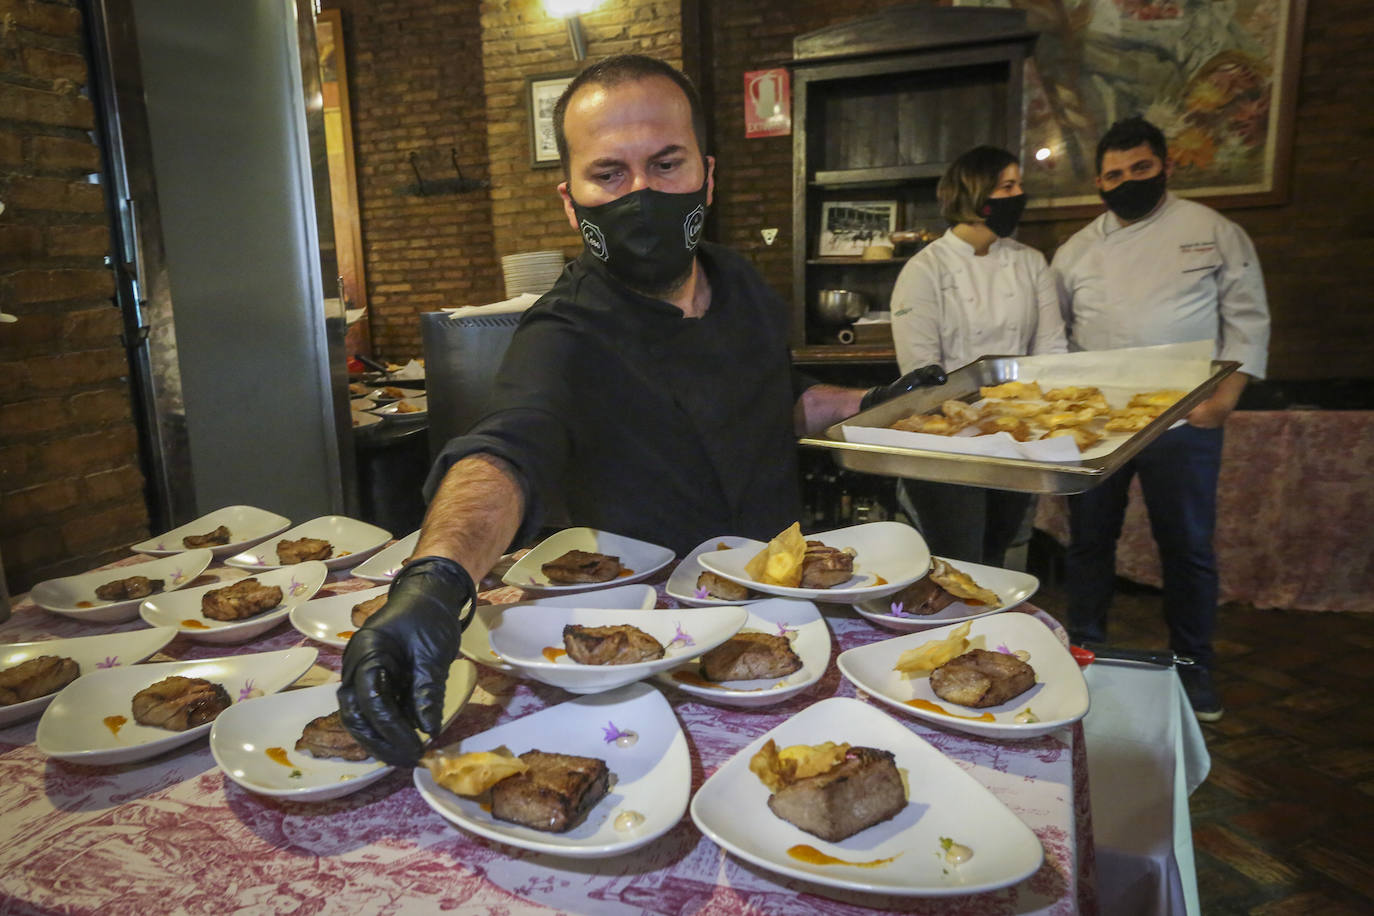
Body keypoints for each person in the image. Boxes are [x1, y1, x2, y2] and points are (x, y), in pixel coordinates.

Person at [337, 54, 945, 765]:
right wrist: (437, 583)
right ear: (571, 201)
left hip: (785, 618)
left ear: (706, 177)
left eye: (665, 164)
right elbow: (505, 448)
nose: (641, 194)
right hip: (643, 652)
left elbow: (774, 401)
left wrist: (875, 404)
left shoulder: (741, 281)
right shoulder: (565, 328)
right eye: (610, 174)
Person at [1051, 116, 1270, 722]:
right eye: (1114, 174)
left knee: (1188, 546)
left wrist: (1225, 399)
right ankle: (1084, 648)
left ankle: (1195, 666)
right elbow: (1058, 337)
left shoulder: (1213, 231)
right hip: (1099, 425)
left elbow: (1247, 319)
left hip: (1185, 419)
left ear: (1166, 166)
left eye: (1140, 168)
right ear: (1099, 180)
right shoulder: (1075, 252)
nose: (1127, 181)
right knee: (1090, 542)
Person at [889, 146, 1067, 567]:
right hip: (950, 443)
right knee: (959, 560)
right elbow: (921, 373)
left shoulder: (1030, 263)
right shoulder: (925, 269)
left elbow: (1051, 351)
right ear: (975, 193)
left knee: (999, 555)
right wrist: (977, 419)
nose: (1020, 194)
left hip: (1018, 437)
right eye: (1009, 186)